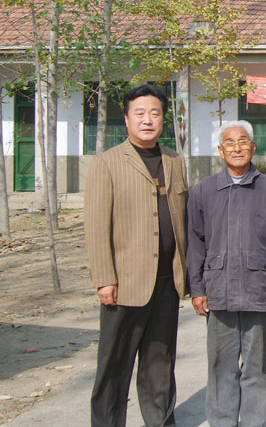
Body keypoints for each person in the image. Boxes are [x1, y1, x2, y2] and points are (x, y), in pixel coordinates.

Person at [85, 84, 189, 427]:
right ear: (127, 119)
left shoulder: (174, 161)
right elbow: (97, 226)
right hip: (125, 283)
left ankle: (160, 420)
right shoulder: (107, 163)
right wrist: (105, 279)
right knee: (115, 362)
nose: (148, 120)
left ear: (163, 119)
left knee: (160, 360)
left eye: (155, 113)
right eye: (140, 113)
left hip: (167, 281)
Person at [187, 120, 266, 427]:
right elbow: (195, 242)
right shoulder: (204, 190)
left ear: (253, 147)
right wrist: (197, 288)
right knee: (221, 366)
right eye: (230, 143)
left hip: (258, 290)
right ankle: (222, 421)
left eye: (243, 141)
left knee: (254, 368)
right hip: (218, 290)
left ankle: (252, 422)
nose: (237, 148)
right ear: (221, 150)